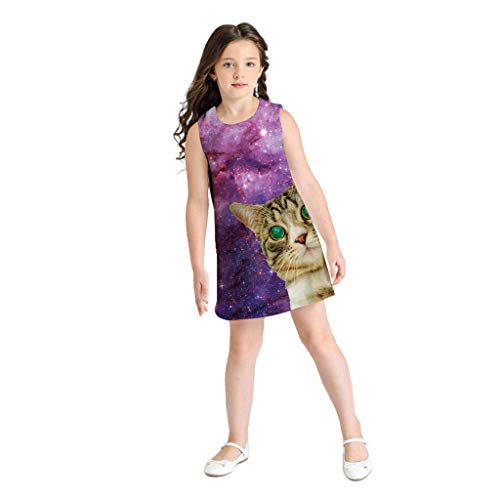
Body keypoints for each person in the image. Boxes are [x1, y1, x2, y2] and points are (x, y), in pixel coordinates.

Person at [174, 22, 373, 480]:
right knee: (242, 347)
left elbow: (307, 182)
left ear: (261, 69)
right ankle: (236, 439)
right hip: (240, 255)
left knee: (317, 337)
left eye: (249, 63)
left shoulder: (278, 119)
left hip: (297, 244)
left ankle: (353, 431)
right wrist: (196, 264)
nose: (239, 72)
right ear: (213, 72)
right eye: (229, 64)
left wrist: (332, 241)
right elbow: (196, 202)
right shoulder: (202, 133)